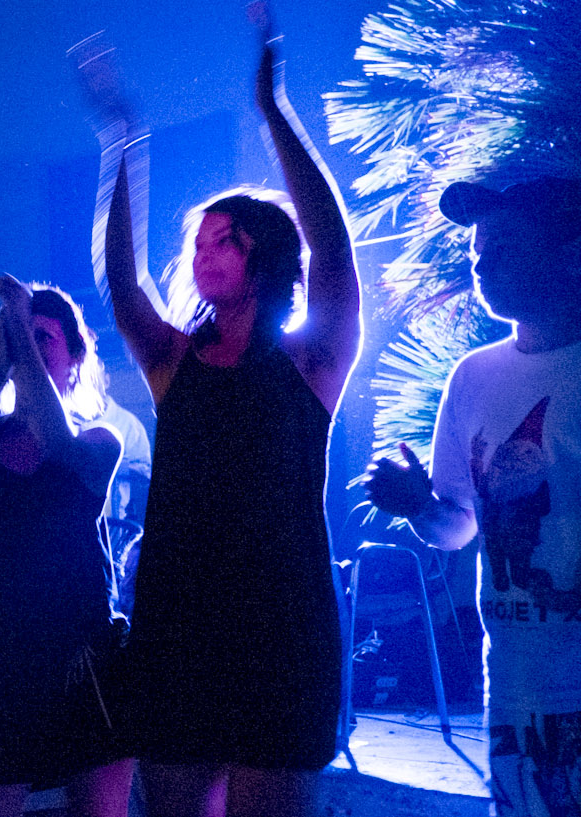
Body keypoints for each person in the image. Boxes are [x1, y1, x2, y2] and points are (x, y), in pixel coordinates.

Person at [89, 11, 361, 815]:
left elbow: (335, 252)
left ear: (268, 257)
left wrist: (274, 113)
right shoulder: (174, 362)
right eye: (200, 241)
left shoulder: (312, 360)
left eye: (226, 239)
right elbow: (123, 285)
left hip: (283, 635)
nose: (204, 251)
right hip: (177, 632)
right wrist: (124, 143)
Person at [363, 176, 581, 817]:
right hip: (513, 683)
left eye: (504, 240)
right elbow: (459, 527)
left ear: (569, 249)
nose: (481, 256)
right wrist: (419, 506)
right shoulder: (473, 376)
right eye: (477, 245)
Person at [0, 278, 131, 817]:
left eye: (45, 338)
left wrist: (17, 322)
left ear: (73, 357)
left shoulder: (98, 439)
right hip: (3, 664)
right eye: (24, 335)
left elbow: (57, 441)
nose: (30, 346)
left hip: (82, 661)